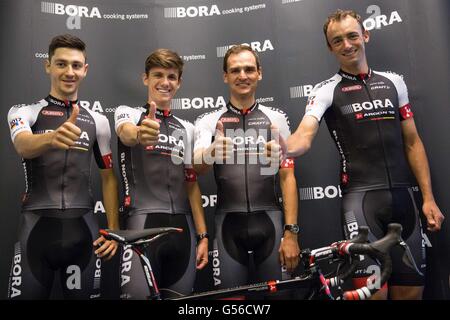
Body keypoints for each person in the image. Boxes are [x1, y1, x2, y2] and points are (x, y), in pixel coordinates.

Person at [287, 9, 444, 300]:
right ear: (330, 47)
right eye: (337, 40)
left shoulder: (394, 82)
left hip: (405, 201)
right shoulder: (325, 91)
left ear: (365, 36)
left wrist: (429, 198)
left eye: (352, 36)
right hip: (361, 205)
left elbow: (412, 142)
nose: (347, 45)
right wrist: (283, 146)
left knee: (411, 293)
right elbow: (304, 136)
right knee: (371, 296)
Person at [6, 34, 119, 299]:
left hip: (83, 231)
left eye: (76, 65)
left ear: (85, 70)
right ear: (48, 66)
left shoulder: (98, 121)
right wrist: (51, 138)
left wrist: (114, 229)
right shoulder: (25, 112)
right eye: (61, 64)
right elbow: (23, 145)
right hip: (36, 230)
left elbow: (109, 178)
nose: (69, 72)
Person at [193, 45, 300, 296]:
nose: (243, 75)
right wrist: (212, 152)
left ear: (259, 73)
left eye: (249, 69)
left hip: (271, 223)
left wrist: (292, 233)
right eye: (235, 70)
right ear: (225, 76)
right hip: (227, 226)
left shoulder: (276, 119)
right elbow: (196, 167)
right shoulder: (210, 120)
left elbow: (288, 176)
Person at [114, 49, 208, 299]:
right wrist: (139, 133)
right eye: (157, 75)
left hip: (183, 231)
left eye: (171, 76)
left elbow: (191, 183)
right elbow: (125, 132)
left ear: (179, 82)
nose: (165, 82)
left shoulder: (186, 128)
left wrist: (203, 236)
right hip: (141, 227)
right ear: (145, 78)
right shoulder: (129, 114)